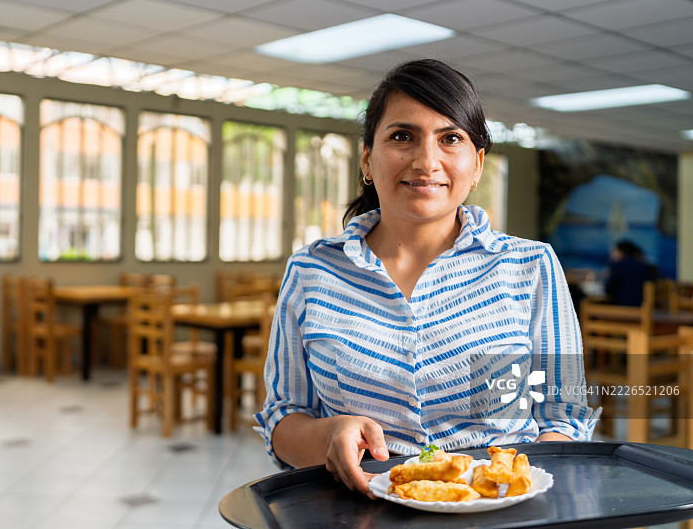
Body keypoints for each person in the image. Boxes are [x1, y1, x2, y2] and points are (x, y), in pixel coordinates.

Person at [255, 59, 598, 499]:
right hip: (359, 512)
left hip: (502, 516)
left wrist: (517, 491)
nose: (426, 161)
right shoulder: (311, 271)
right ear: (367, 159)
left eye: (450, 138)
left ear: (476, 166)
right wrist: (328, 436)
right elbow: (284, 417)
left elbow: (563, 418)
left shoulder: (530, 267)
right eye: (402, 136)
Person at [604, 239, 656, 307]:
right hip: (643, 307)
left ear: (621, 252)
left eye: (614, 251)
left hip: (624, 308)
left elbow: (608, 289)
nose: (612, 254)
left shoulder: (618, 265)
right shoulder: (644, 266)